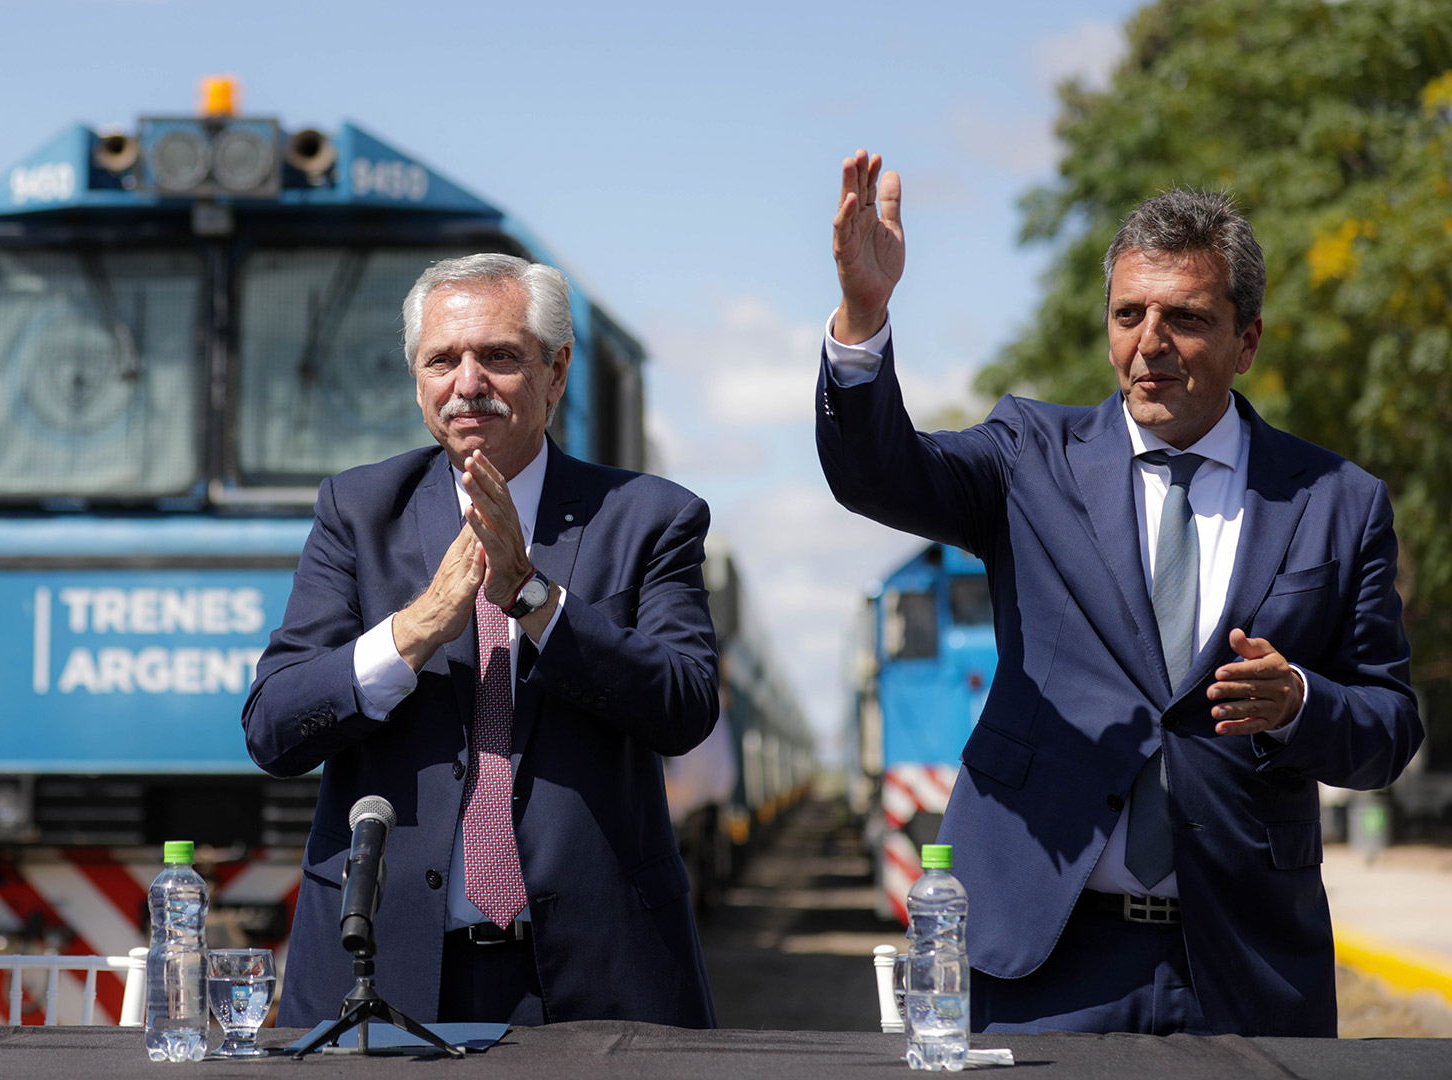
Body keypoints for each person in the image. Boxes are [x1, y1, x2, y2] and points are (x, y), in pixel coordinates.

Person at [817, 152, 1422, 1036]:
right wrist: (864, 319)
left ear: (1247, 340)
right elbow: (879, 473)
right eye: (1129, 314)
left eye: (1185, 318)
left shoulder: (1338, 502)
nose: (1150, 343)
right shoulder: (1030, 455)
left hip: (1245, 963)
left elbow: (1387, 730)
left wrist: (1298, 702)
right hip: (1042, 957)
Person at [243, 254, 719, 1028]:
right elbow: (273, 727)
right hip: (379, 973)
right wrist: (418, 626)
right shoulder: (358, 512)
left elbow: (685, 707)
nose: (468, 383)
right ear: (418, 379)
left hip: (595, 982)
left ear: (557, 373)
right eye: (443, 360)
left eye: (499, 356)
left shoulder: (649, 518)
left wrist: (534, 600)